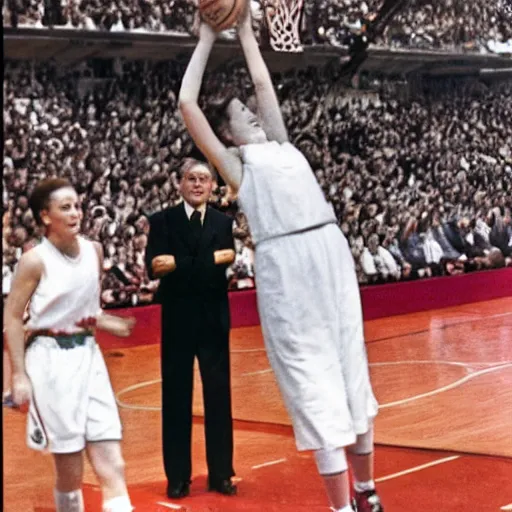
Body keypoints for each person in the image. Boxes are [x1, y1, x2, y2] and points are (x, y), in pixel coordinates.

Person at [178, 11, 383, 512]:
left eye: (251, 109)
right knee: (313, 385)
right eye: (240, 114)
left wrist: (246, 30)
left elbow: (263, 80)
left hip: (329, 252)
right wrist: (208, 36)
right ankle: (341, 508)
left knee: (350, 372)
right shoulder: (237, 165)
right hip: (285, 265)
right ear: (227, 135)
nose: (251, 112)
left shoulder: (283, 144)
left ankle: (367, 492)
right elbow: (187, 103)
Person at [3, 178, 135, 512]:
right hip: (51, 364)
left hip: (89, 357)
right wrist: (18, 375)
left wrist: (112, 323)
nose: (76, 212)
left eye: (77, 205)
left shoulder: (94, 251)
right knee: (71, 471)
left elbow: (90, 311)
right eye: (66, 207)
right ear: (46, 216)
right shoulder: (35, 260)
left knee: (113, 463)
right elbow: (14, 316)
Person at [144, 158, 237, 499]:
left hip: (213, 323)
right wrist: (209, 262)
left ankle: (222, 473)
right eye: (191, 178)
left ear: (212, 186)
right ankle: (178, 477)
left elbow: (176, 267)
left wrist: (179, 265)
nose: (198, 184)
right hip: (178, 321)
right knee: (176, 399)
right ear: (179, 184)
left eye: (204, 179)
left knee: (218, 398)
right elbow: (155, 267)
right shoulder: (161, 221)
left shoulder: (223, 223)